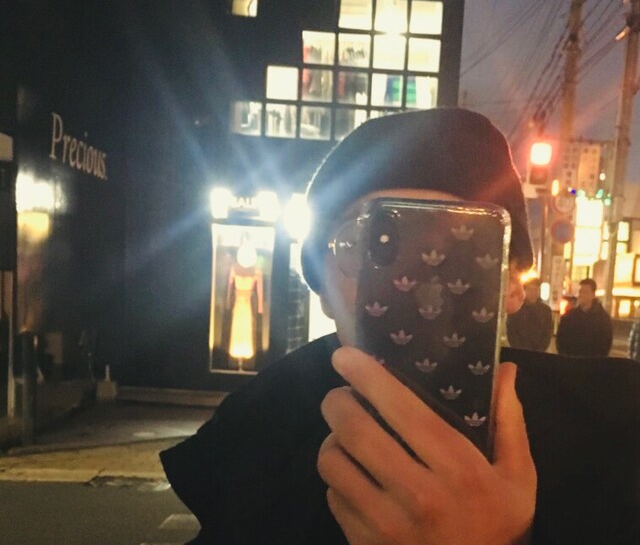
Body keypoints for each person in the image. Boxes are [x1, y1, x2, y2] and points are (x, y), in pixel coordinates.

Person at [160, 109, 640, 544]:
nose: (415, 285)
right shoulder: (256, 440)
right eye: (371, 246)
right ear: (322, 289)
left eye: (461, 249)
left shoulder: (617, 444)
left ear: (513, 287)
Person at [555, 277, 613, 358]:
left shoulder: (603, 318)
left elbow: (605, 344)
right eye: (580, 292)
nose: (582, 295)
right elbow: (561, 340)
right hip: (571, 361)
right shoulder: (569, 316)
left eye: (586, 292)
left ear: (593, 295)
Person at [506, 277, 553, 351]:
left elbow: (547, 333)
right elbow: (512, 332)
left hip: (538, 352)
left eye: (536, 290)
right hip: (519, 351)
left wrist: (539, 350)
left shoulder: (545, 311)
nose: (533, 293)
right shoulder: (516, 308)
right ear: (525, 290)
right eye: (531, 289)